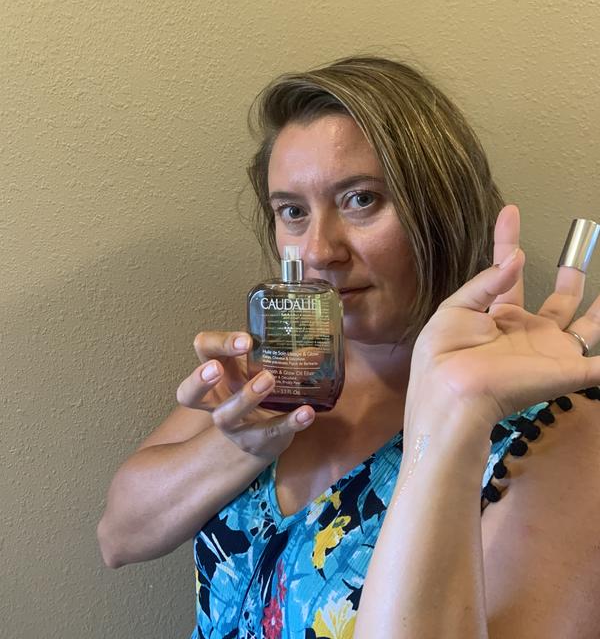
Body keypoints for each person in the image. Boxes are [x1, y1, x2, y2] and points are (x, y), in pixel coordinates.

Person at [98, 56, 600, 639]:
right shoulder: (282, 360)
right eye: (292, 211)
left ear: (445, 210)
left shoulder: (561, 432)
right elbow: (119, 537)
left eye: (361, 200)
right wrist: (245, 443)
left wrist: (451, 419)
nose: (318, 251)